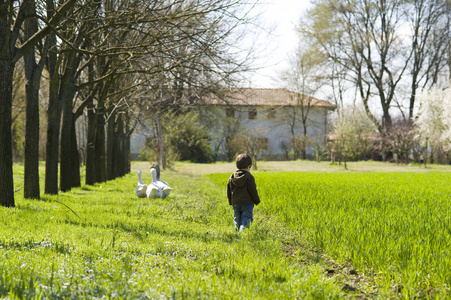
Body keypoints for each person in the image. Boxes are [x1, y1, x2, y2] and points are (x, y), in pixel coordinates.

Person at [226, 153, 261, 232]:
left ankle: (237, 233)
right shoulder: (249, 177)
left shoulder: (232, 177)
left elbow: (228, 190)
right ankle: (242, 233)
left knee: (237, 219)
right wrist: (256, 201)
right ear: (249, 166)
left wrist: (230, 201)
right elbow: (253, 191)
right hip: (247, 203)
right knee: (246, 218)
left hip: (235, 203)